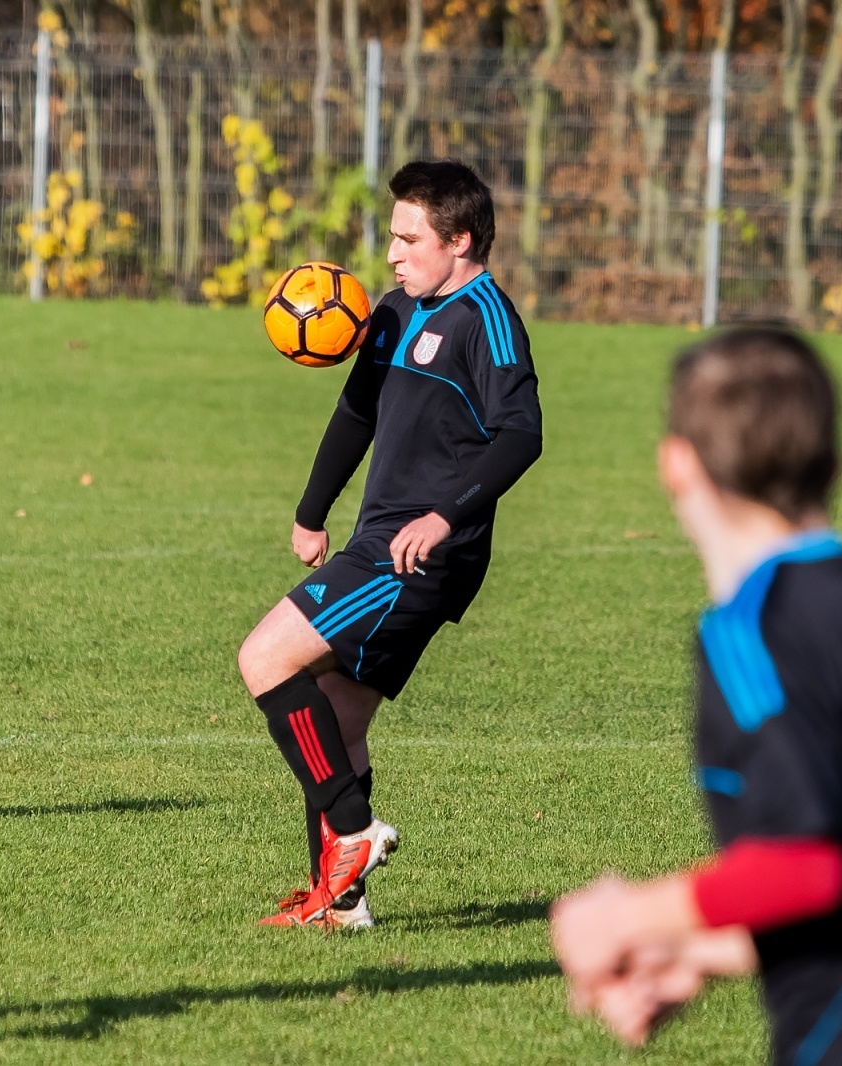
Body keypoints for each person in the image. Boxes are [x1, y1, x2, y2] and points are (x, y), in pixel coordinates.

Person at [551, 328, 842, 1063]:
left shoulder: (753, 631)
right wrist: (698, 953)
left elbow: (807, 865)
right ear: (834, 467)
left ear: (676, 465)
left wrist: (626, 918)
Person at [238, 160, 544, 929]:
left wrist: (443, 517)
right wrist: (311, 513)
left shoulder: (488, 321)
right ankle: (342, 905)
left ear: (461, 240)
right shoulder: (395, 312)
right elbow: (355, 416)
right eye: (393, 237)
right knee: (338, 720)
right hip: (380, 536)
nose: (395, 253)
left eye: (410, 239)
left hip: (420, 556)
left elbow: (522, 435)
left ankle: (352, 831)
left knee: (266, 658)